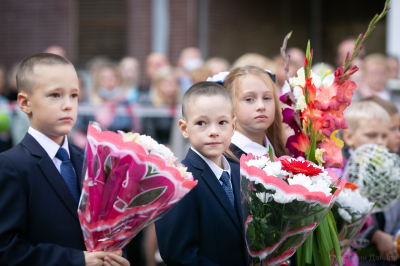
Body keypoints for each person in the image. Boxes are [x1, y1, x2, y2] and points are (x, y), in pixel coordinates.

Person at [0, 53, 129, 266]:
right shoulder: (10, 166)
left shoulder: (92, 160)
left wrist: (115, 256)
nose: (68, 105)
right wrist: (78, 260)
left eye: (74, 95)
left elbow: (107, 229)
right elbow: (7, 250)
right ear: (24, 103)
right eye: (54, 95)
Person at [155, 81, 248, 265]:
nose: (213, 132)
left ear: (233, 126)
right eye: (201, 123)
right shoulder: (177, 181)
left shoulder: (243, 173)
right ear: (184, 128)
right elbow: (180, 256)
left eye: (222, 122)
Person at [342, 101, 398, 265]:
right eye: (372, 135)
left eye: (384, 136)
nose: (380, 142)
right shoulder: (342, 171)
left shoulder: (390, 168)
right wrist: (374, 235)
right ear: (349, 137)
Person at [222, 66, 288, 163]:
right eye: (249, 99)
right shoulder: (224, 160)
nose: (261, 106)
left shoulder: (281, 151)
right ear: (230, 104)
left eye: (267, 98)